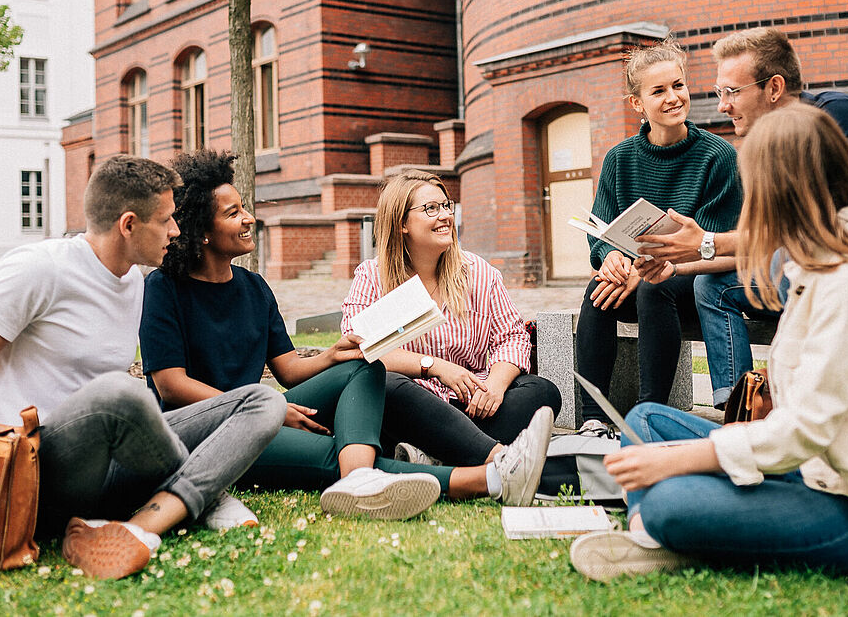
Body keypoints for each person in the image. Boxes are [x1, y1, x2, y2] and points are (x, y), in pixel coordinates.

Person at [0, 156, 288, 580]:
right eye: (167, 220)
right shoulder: (40, 269)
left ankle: (140, 525)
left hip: (104, 471)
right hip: (30, 473)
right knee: (119, 394)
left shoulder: (134, 280)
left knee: (262, 401)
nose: (177, 231)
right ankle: (207, 500)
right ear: (129, 224)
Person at [571, 104, 848, 580]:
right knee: (646, 421)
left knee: (667, 498)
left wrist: (679, 462)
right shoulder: (820, 246)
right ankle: (669, 534)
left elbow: (803, 430)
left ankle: (661, 528)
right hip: (808, 467)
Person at [140, 150, 552, 514]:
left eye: (244, 207)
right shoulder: (163, 289)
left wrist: (333, 355)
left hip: (263, 411)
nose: (249, 218)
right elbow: (172, 386)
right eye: (233, 213)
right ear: (201, 230)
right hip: (202, 429)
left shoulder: (253, 287)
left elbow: (287, 371)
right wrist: (264, 408)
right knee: (335, 451)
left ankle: (360, 480)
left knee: (366, 365)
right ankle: (491, 474)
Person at [637, 27, 848, 409]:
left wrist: (705, 241)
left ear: (774, 87)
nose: (722, 106)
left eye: (732, 92)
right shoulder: (770, 143)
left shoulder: (831, 116)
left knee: (806, 269)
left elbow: (809, 230)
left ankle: (806, 404)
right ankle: (741, 407)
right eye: (720, 93)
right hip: (843, 267)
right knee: (713, 287)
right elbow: (769, 242)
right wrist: (677, 265)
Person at [574, 37, 742, 432]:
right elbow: (601, 229)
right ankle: (592, 420)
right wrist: (609, 257)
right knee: (597, 289)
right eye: (659, 90)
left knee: (653, 287)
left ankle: (646, 417)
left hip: (691, 281)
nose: (672, 97)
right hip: (638, 275)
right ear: (638, 103)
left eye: (678, 85)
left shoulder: (717, 157)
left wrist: (646, 269)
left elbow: (711, 239)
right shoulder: (620, 158)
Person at [341, 169, 561, 465]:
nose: (445, 215)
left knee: (542, 391)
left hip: (472, 404)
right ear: (401, 223)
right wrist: (435, 367)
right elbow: (361, 347)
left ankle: (431, 454)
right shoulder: (372, 277)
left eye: (446, 206)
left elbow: (511, 337)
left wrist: (495, 386)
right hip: (411, 403)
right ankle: (485, 454)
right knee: (386, 387)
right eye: (431, 208)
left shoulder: (479, 272)